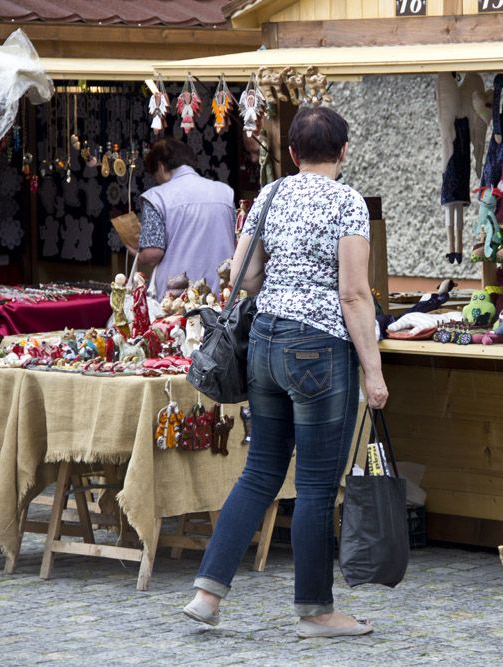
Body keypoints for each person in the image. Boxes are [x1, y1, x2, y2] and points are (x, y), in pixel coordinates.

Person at [183, 106, 389, 636]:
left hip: (265, 344)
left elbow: (245, 274)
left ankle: (207, 595)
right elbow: (353, 293)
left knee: (259, 474)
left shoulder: (270, 195)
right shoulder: (347, 202)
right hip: (319, 349)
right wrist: (374, 372)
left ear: (293, 153)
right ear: (344, 151)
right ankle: (316, 613)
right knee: (317, 486)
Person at [137, 138, 236, 300]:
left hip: (178, 296)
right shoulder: (225, 193)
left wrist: (138, 252)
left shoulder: (157, 197)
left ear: (161, 167)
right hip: (223, 292)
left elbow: (152, 252)